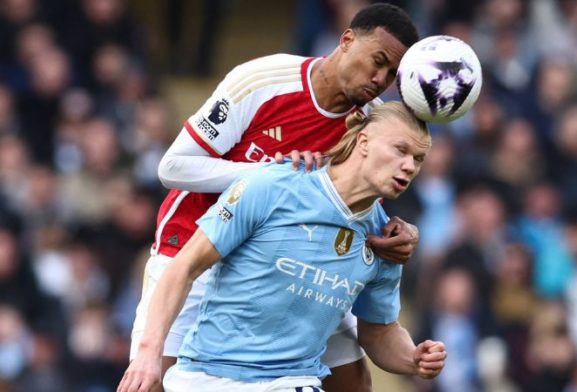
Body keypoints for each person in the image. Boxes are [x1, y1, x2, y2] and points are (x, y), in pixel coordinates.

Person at [128, 3, 421, 391]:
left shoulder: (369, 119)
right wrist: (272, 173)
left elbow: (355, 199)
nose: (379, 79)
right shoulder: (264, 79)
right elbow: (173, 168)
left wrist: (399, 231)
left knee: (353, 382)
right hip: (195, 248)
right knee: (153, 380)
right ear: (347, 40)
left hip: (280, 262)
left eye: (390, 75)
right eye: (377, 61)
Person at [119, 102, 445, 392]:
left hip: (292, 380)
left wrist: (413, 358)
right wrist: (148, 354)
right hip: (208, 375)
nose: (409, 166)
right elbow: (184, 266)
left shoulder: (387, 240)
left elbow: (379, 331)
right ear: (363, 142)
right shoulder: (275, 186)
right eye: (400, 150)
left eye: (418, 159)